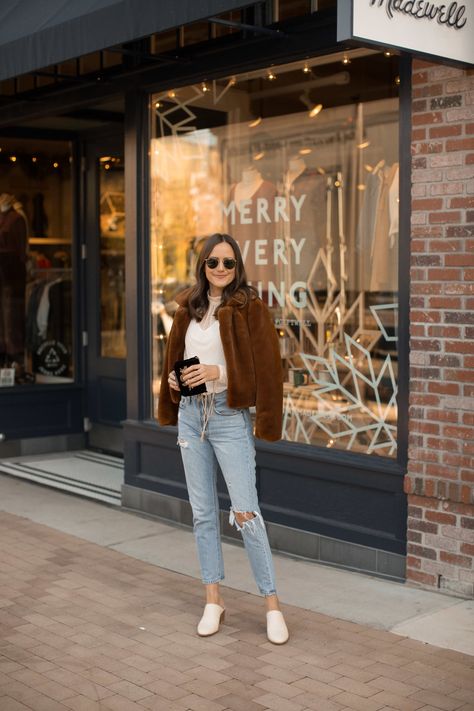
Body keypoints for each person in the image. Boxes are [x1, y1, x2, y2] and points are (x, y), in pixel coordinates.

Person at [158, 232, 289, 644]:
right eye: (212, 262)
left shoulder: (249, 308)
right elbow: (173, 363)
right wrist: (174, 380)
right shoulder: (187, 309)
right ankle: (213, 600)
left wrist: (217, 373)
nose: (219, 270)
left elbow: (266, 370)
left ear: (238, 268)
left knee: (247, 513)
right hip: (191, 416)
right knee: (202, 514)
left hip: (229, 418)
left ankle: (272, 605)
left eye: (228, 263)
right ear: (202, 265)